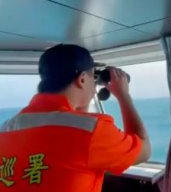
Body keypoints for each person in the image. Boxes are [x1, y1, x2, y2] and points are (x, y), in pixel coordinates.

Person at [0, 44, 151, 192]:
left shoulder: (6, 128)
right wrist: (123, 95)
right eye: (93, 78)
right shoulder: (92, 131)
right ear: (83, 79)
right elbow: (144, 150)